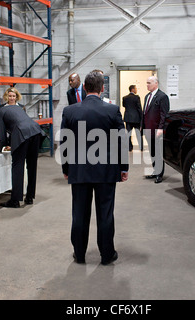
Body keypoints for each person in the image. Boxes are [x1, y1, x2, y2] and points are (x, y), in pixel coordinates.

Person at [60, 71, 129, 265]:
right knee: (105, 213)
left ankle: (79, 254)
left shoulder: (70, 111)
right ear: (102, 88)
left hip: (79, 170)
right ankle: (107, 254)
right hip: (106, 171)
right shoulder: (112, 110)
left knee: (79, 214)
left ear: (84, 88)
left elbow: (65, 143)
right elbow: (122, 140)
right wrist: (123, 167)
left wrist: (66, 168)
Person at [0, 105, 46, 208]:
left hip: (22, 133)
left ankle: (15, 200)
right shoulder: (14, 108)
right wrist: (11, 144)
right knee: (32, 166)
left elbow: (1, 135)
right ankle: (29, 197)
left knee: (17, 166)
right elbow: (17, 123)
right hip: (36, 131)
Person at [142, 76, 170, 184]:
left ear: (156, 83)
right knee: (152, 152)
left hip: (157, 130)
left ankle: (159, 174)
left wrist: (161, 128)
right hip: (148, 130)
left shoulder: (162, 97)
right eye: (147, 83)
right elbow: (144, 113)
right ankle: (155, 170)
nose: (147, 85)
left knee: (158, 152)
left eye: (149, 83)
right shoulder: (147, 96)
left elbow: (164, 114)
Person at [122, 85, 143, 151]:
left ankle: (129, 147)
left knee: (128, 134)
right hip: (136, 118)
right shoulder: (137, 97)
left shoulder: (125, 98)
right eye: (136, 88)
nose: (136, 90)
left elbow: (124, 105)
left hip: (128, 118)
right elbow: (139, 108)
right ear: (133, 89)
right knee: (138, 134)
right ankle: (141, 147)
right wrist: (141, 117)